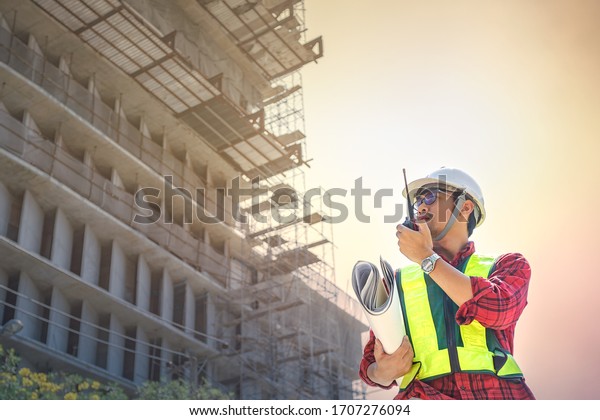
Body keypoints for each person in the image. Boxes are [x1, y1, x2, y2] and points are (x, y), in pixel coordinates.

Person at [359, 167, 535, 399]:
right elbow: (371, 364)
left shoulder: (507, 265)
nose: (421, 207)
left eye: (430, 197)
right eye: (418, 201)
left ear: (465, 207)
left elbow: (499, 309)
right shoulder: (395, 283)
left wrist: (426, 258)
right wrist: (382, 372)